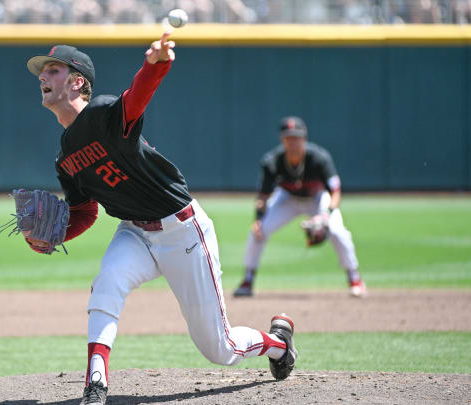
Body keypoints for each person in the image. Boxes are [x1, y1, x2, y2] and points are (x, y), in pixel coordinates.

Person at [25, 34, 298, 405]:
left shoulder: (104, 113)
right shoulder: (64, 157)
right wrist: (54, 237)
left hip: (182, 230)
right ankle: (96, 384)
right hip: (134, 234)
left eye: (53, 70)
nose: (43, 75)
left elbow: (138, 96)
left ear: (77, 81)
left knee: (221, 348)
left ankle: (278, 344)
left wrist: (157, 63)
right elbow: (85, 212)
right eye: (43, 71)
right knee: (106, 284)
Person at [233, 116, 367, 298]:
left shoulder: (319, 158)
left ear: (304, 138)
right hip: (287, 199)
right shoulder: (272, 162)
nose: (293, 142)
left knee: (337, 231)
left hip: (317, 198)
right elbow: (263, 196)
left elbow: (335, 192)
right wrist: (257, 218)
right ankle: (248, 280)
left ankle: (355, 278)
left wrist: (326, 215)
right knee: (258, 231)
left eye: (297, 137)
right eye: (289, 137)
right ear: (282, 140)